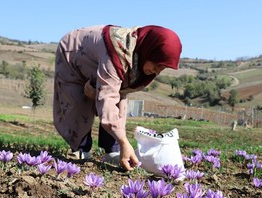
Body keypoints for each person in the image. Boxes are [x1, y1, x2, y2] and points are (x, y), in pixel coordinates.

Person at [53, 24, 182, 171]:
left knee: (110, 98)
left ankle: (111, 150)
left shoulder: (138, 56)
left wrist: (120, 143)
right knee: (77, 102)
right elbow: (107, 100)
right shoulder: (117, 54)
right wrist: (124, 142)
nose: (157, 72)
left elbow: (119, 94)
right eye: (157, 64)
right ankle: (81, 148)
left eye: (162, 68)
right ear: (149, 51)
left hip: (97, 60)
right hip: (73, 52)